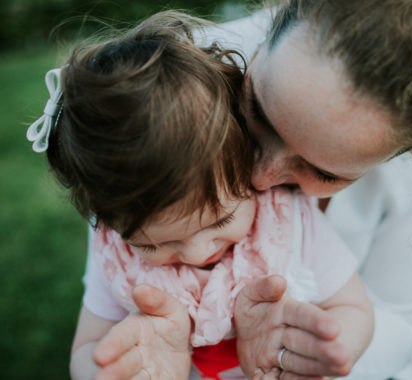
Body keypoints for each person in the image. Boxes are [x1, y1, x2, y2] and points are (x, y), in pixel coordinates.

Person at [98, 1, 412, 379]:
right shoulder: (171, 83)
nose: (258, 178)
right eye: (258, 112)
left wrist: (311, 353)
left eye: (323, 172)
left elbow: (401, 314)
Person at [27, 11, 374, 380]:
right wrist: (107, 369)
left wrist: (330, 349)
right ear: (109, 223)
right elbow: (86, 347)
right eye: (152, 244)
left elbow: (352, 307)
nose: (197, 252)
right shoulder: (115, 256)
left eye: (221, 219)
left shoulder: (287, 223)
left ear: (245, 162)